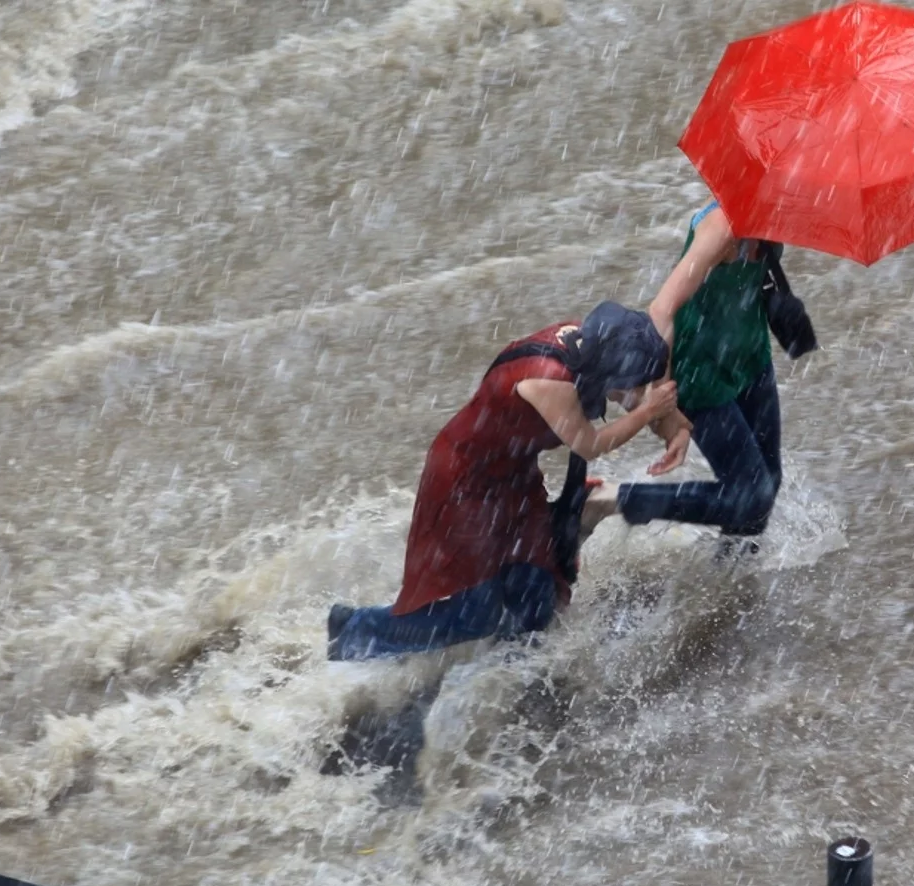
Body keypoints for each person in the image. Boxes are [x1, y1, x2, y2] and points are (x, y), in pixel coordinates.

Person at [329, 302, 683, 661]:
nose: (638, 392)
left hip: (513, 473)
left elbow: (643, 387)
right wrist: (647, 413)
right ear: (611, 373)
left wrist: (673, 427)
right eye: (633, 385)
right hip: (464, 481)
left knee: (538, 590)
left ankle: (503, 678)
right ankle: (355, 629)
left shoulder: (596, 342)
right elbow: (589, 444)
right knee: (475, 612)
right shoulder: (548, 377)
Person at [582, 202, 815, 545]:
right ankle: (608, 500)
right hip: (700, 373)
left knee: (766, 485)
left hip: (751, 359)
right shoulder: (719, 228)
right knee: (751, 497)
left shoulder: (774, 212)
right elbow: (661, 311)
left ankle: (731, 585)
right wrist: (666, 408)